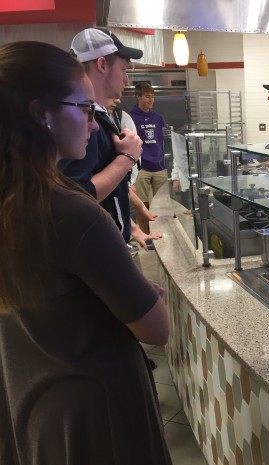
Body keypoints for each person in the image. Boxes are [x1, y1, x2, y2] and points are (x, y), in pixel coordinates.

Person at [0, 41, 171, 464]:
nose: (94, 125)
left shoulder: (12, 199)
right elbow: (156, 328)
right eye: (83, 109)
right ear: (42, 113)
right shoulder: (70, 212)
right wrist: (153, 293)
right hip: (96, 417)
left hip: (31, 400)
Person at [58, 27, 160, 250]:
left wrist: (131, 229)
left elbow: (110, 192)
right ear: (102, 65)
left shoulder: (100, 116)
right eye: (123, 70)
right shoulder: (82, 124)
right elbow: (74, 196)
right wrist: (126, 158)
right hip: (93, 251)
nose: (126, 79)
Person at [130, 81, 168, 234]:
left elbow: (166, 140)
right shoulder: (131, 118)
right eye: (147, 96)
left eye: (152, 96)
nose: (150, 100)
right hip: (141, 168)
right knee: (142, 204)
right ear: (138, 97)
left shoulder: (158, 118)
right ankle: (146, 235)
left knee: (162, 203)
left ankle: (163, 232)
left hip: (159, 166)